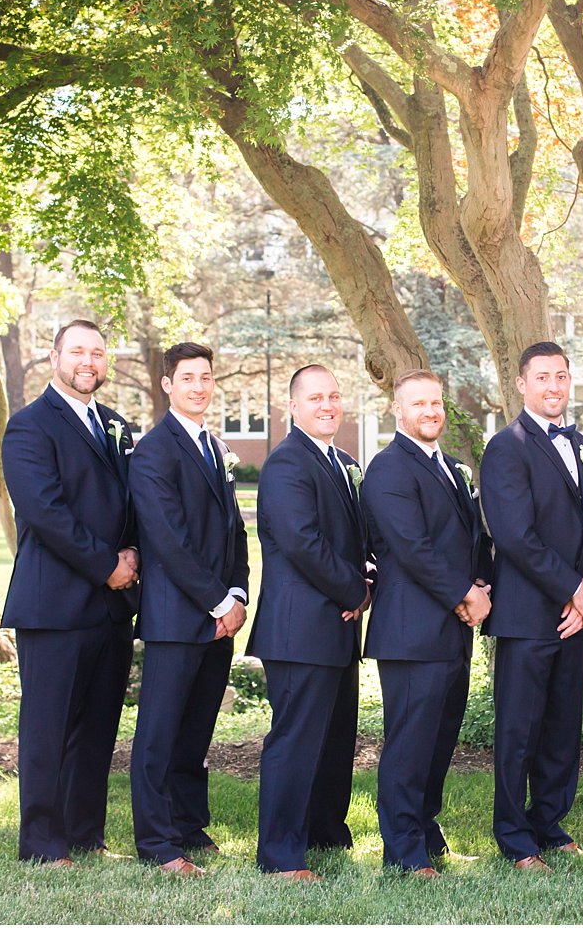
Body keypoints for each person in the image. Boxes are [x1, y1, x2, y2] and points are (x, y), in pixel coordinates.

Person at [1, 318, 138, 867]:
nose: (89, 361)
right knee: (48, 728)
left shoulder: (116, 425)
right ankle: (41, 842)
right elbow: (46, 512)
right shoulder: (29, 427)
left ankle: (85, 834)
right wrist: (108, 564)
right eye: (78, 351)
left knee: (98, 726)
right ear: (54, 357)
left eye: (98, 353)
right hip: (54, 603)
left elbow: (136, 502)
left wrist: (133, 558)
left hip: (111, 606)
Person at [480, 341, 583, 872]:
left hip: (573, 612)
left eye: (561, 377)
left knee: (561, 725)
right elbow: (514, 534)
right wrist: (570, 587)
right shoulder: (505, 447)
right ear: (522, 384)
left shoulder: (579, 443)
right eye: (543, 377)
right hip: (527, 614)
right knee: (518, 729)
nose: (553, 386)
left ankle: (549, 821)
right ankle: (514, 836)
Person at [362, 370, 493, 878]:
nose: (430, 411)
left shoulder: (454, 468)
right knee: (410, 746)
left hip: (453, 631)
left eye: (436, 402)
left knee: (439, 743)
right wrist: (464, 595)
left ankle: (427, 833)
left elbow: (476, 542)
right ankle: (403, 850)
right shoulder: (389, 469)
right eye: (418, 404)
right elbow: (411, 547)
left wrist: (483, 589)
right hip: (411, 632)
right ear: (398, 411)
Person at [128, 342, 249, 878]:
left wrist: (240, 593)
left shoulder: (215, 447)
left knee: (197, 727)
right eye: (188, 378)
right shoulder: (154, 451)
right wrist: (218, 600)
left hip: (220, 618)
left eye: (206, 377)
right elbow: (168, 541)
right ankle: (156, 842)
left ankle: (188, 824)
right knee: (159, 732)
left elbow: (235, 530)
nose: (199, 386)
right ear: (167, 385)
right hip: (177, 618)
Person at [249, 364, 372, 882]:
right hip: (299, 628)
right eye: (316, 397)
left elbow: (353, 538)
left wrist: (365, 577)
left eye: (335, 396)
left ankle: (324, 831)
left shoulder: (341, 462)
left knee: (335, 737)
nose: (328, 405)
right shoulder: (286, 464)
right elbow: (302, 542)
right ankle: (280, 853)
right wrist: (353, 590)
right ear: (293, 407)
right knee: (296, 740)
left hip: (336, 626)